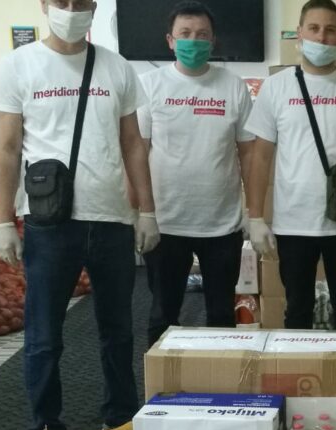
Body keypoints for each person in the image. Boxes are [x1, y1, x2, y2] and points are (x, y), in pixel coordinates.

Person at [0, 0, 158, 430]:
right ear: (45, 6)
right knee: (44, 336)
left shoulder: (117, 67)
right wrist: (2, 220)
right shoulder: (19, 65)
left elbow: (133, 144)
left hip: (111, 219)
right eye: (61, 1)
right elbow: (8, 147)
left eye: (81, 2)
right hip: (49, 222)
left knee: (118, 331)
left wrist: (146, 211)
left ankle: (120, 420)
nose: (71, 9)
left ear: (94, 7)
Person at [244, 0, 336, 330]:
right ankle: (300, 366)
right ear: (299, 34)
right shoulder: (277, 87)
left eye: (330, 30)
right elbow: (260, 156)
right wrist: (255, 217)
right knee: (297, 311)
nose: (322, 37)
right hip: (293, 223)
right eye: (314, 28)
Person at [135, 2, 254, 343]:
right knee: (163, 314)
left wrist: (254, 211)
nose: (193, 41)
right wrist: (140, 213)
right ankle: (163, 375)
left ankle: (220, 375)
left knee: (221, 315)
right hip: (165, 223)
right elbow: (137, 152)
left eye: (202, 35)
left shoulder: (233, 86)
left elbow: (248, 152)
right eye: (185, 34)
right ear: (170, 40)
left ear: (213, 41)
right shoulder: (149, 85)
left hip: (222, 224)